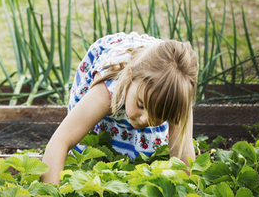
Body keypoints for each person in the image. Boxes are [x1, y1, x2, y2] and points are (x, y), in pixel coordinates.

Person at [41, 31, 198, 184]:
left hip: (162, 72)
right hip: (119, 71)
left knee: (150, 150)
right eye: (141, 105)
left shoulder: (177, 95)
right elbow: (60, 141)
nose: (146, 119)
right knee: (89, 143)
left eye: (159, 114)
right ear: (129, 75)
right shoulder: (105, 91)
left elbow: (183, 160)